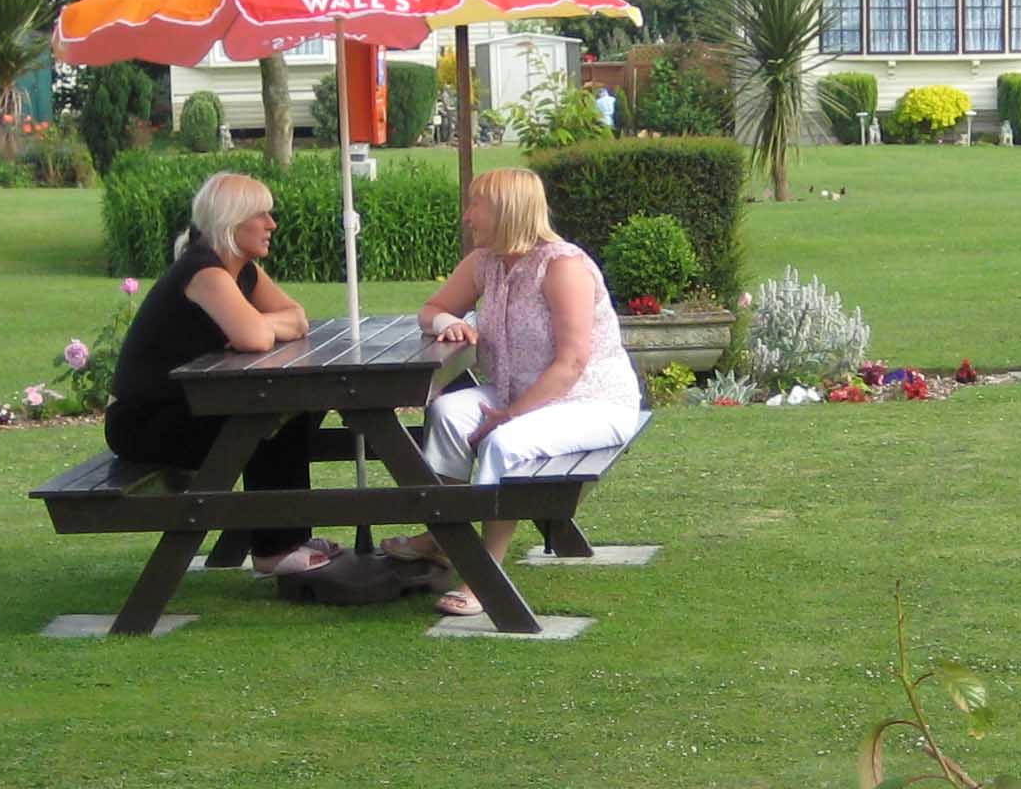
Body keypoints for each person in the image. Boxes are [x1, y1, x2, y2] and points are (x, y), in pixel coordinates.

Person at [386, 166, 644, 616]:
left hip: (592, 402)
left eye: (475, 206)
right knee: (447, 413)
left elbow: (572, 363)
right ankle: (448, 534)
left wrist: (510, 416)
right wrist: (452, 323)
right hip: (514, 392)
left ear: (507, 211)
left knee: (504, 443)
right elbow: (432, 309)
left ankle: (484, 574)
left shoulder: (563, 267)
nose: (467, 217)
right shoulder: (486, 263)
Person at [104, 171, 335, 578]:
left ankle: (286, 539)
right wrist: (260, 328)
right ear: (232, 222)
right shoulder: (205, 272)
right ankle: (273, 549)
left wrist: (264, 326)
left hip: (189, 409)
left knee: (293, 410)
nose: (272, 225)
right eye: (261, 215)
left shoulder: (243, 270)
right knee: (269, 417)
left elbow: (298, 319)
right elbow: (253, 338)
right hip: (144, 423)